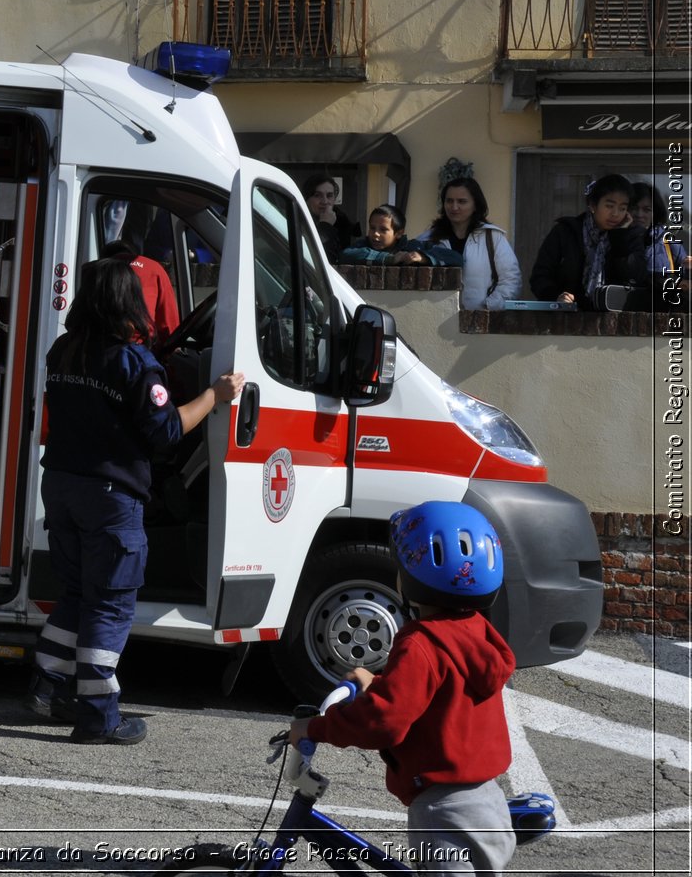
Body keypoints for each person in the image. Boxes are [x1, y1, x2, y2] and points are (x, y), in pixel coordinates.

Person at [26, 257, 244, 745]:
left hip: (61, 486)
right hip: (109, 497)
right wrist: (215, 394)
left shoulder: (63, 351)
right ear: (128, 302)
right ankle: (98, 717)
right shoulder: (136, 363)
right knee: (109, 605)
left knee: (78, 594)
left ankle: (47, 686)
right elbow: (165, 431)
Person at [287, 501, 517, 876]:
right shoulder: (477, 634)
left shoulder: (421, 644)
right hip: (488, 802)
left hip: (444, 815)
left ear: (410, 578)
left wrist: (315, 728)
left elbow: (382, 722)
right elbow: (439, 697)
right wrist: (377, 683)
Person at [397, 178, 521, 310]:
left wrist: (488, 307)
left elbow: (511, 280)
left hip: (482, 322)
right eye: (449, 201)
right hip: (438, 320)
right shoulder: (427, 239)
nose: (454, 207)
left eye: (462, 201)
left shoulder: (492, 237)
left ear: (475, 205)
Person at [530, 174, 649, 310]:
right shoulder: (565, 232)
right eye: (609, 206)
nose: (616, 214)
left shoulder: (631, 236)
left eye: (622, 208)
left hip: (614, 319)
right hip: (566, 316)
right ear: (592, 205)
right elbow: (540, 276)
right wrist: (556, 297)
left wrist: (620, 236)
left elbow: (636, 277)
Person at [630, 181, 687, 290]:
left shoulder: (669, 244)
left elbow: (686, 281)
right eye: (634, 208)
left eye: (646, 210)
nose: (639, 214)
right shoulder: (611, 240)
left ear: (655, 213)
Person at [338, 204, 418, 265]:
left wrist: (423, 258)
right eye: (372, 228)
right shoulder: (362, 245)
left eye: (383, 230)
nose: (376, 234)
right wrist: (388, 259)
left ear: (399, 233)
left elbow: (429, 251)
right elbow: (345, 255)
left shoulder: (408, 247)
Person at [302, 175, 358, 263]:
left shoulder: (342, 222)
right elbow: (313, 256)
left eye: (329, 196)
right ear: (307, 199)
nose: (324, 201)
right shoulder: (298, 221)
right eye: (317, 195)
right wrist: (326, 226)